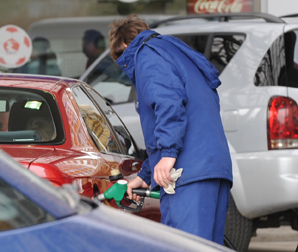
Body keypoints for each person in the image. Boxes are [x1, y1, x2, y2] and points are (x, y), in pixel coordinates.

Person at [109, 15, 233, 245]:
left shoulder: (147, 56)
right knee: (206, 247)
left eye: (123, 59)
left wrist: (168, 156)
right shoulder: (176, 53)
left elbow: (169, 103)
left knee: (184, 245)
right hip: (213, 167)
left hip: (187, 173)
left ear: (125, 45)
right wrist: (145, 177)